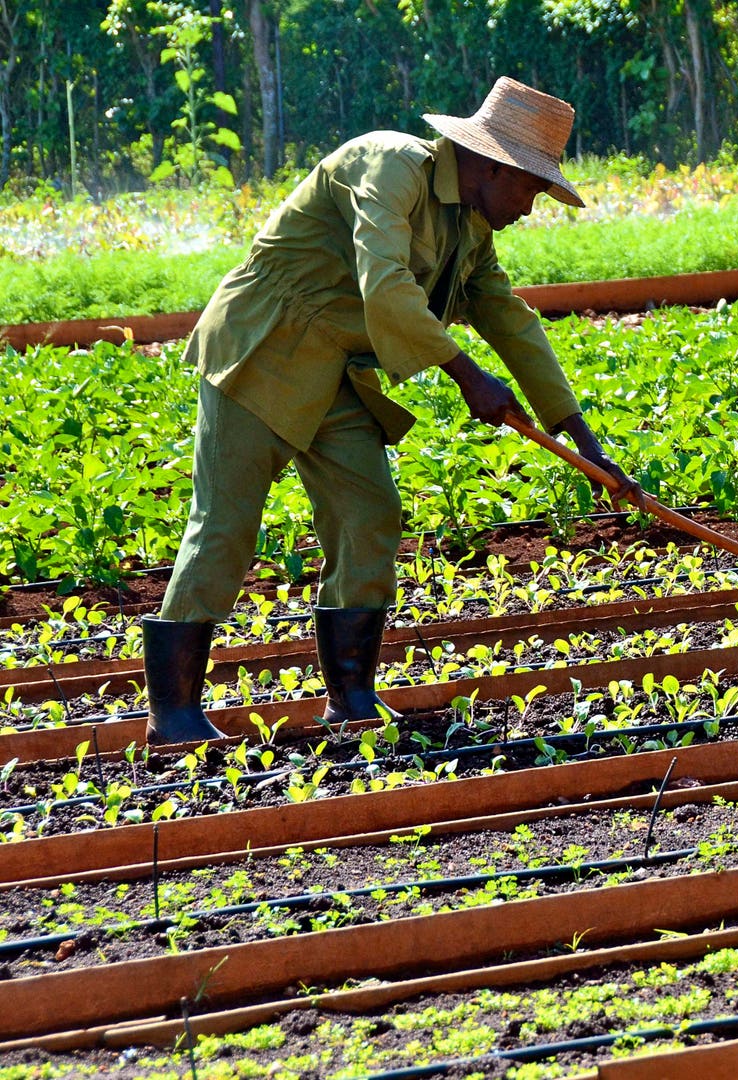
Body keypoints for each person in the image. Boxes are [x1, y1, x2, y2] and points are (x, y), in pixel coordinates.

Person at [144, 77, 636, 744]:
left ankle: (351, 699)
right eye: (530, 187)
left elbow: (509, 320)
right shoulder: (391, 165)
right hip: (262, 349)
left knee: (369, 513)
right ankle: (173, 715)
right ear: (495, 166)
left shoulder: (470, 227)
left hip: (335, 374)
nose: (531, 205)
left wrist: (582, 438)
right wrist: (466, 375)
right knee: (226, 524)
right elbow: (387, 284)